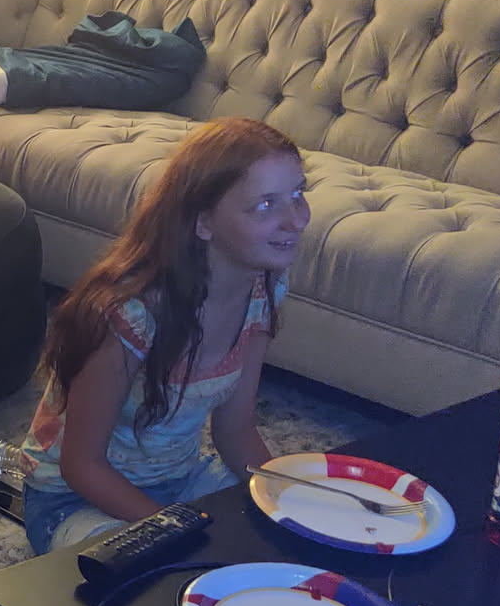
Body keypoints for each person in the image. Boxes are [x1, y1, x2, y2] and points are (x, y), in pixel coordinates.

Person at [17, 118, 309, 554]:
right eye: (266, 204)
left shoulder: (263, 291)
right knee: (159, 573)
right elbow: (81, 466)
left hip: (181, 480)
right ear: (203, 222)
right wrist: (179, 528)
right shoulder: (128, 317)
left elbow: (235, 429)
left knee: (275, 542)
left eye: (298, 194)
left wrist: (291, 507)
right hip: (73, 501)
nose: (295, 220)